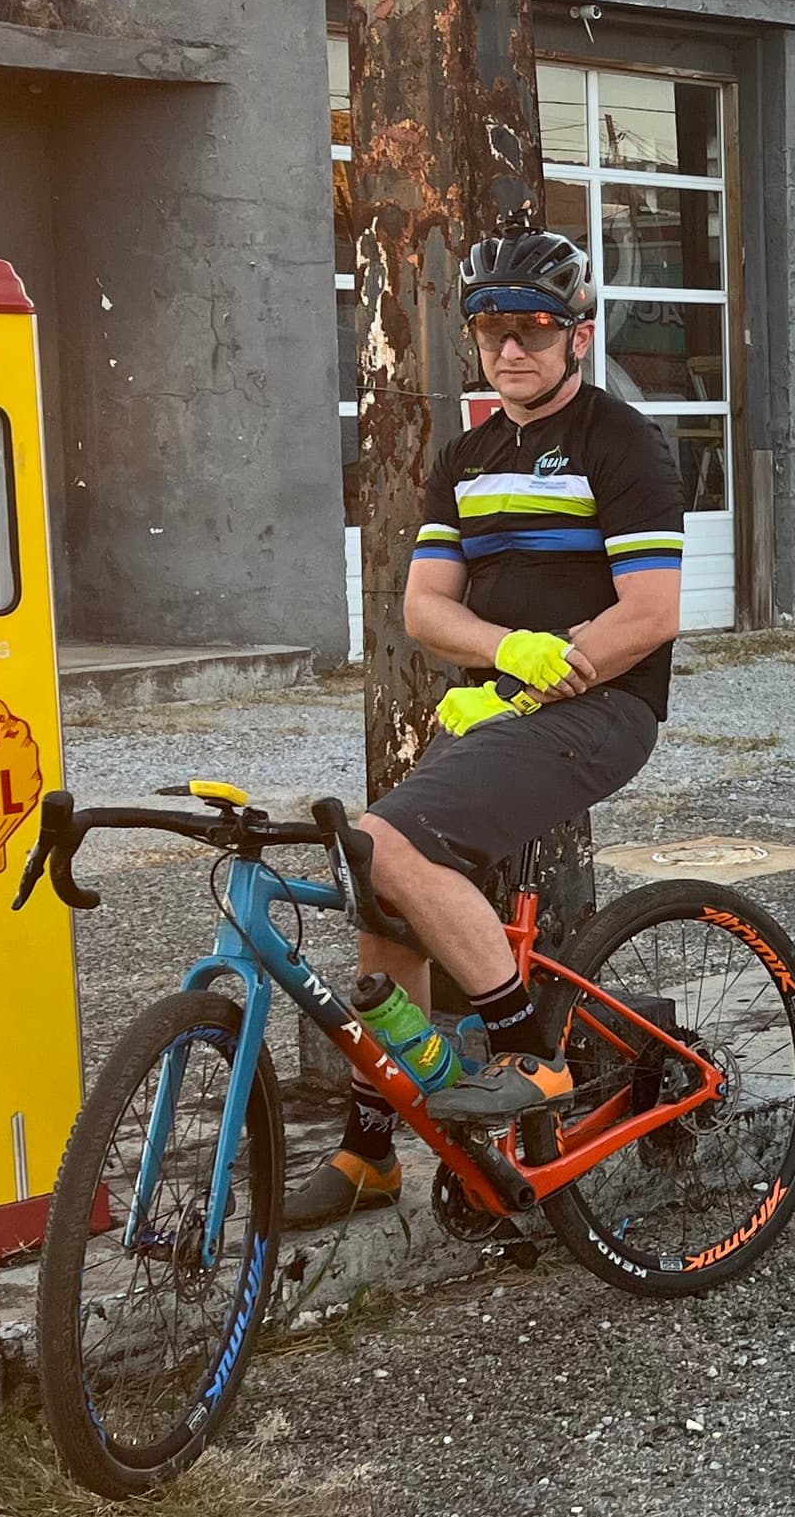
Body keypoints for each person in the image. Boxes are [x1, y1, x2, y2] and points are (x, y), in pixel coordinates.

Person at [289, 229, 688, 1228]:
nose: (511, 347)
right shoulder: (466, 457)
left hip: (603, 711)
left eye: (535, 327)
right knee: (384, 888)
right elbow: (426, 610)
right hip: (505, 709)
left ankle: (527, 1055)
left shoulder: (620, 440)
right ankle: (372, 1151)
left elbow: (650, 614)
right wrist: (510, 655)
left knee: (391, 842)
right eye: (490, 326)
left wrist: (540, 676)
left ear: (578, 335)